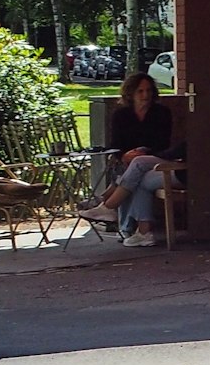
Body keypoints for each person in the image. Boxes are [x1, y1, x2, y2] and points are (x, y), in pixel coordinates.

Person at [76, 73, 183, 247]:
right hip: (127, 160)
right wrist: (125, 155)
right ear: (131, 93)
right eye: (140, 91)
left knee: (137, 166)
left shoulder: (161, 113)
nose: (145, 95)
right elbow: (116, 144)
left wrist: (143, 151)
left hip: (155, 157)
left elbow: (163, 142)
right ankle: (140, 231)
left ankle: (108, 206)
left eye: (148, 91)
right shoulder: (122, 115)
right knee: (134, 171)